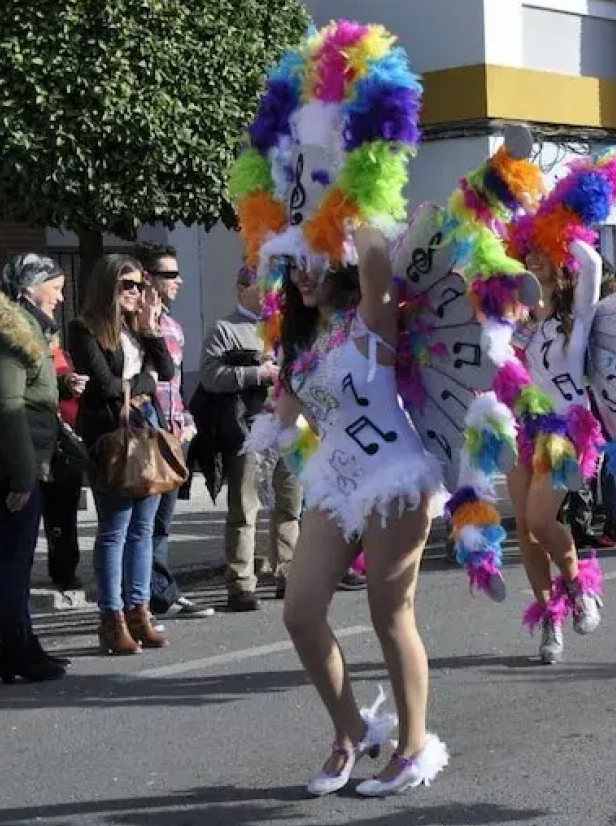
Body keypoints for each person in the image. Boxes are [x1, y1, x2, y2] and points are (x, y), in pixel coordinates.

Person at [256, 227, 449, 795]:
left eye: (312, 262)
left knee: (390, 616)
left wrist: (341, 202)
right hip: (336, 484)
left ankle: (412, 748)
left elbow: (373, 252)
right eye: (293, 266)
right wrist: (263, 439)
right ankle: (352, 731)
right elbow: (286, 418)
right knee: (300, 612)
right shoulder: (302, 344)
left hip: (394, 480)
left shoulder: (371, 320)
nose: (302, 275)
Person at [0, 254, 73, 684]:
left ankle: (23, 645)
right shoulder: (8, 336)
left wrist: (60, 386)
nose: (61, 297)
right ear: (30, 288)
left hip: (26, 462)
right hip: (11, 469)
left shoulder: (26, 332)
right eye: (55, 287)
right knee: (12, 559)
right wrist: (23, 476)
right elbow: (6, 409)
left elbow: (25, 394)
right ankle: (16, 651)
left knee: (20, 558)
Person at [67, 253, 176, 657]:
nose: (135, 293)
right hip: (112, 435)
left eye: (138, 286)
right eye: (126, 285)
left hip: (146, 429)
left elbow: (167, 372)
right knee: (115, 528)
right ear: (107, 287)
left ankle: (138, 611)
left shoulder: (137, 327)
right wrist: (142, 382)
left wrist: (150, 328)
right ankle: (111, 618)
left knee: (143, 528)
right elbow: (106, 385)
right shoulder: (84, 329)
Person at [506, 236, 607, 664]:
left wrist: (558, 227)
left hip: (567, 428)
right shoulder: (514, 316)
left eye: (541, 247)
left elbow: (593, 262)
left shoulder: (576, 312)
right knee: (525, 530)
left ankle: (578, 585)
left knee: (540, 518)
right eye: (527, 250)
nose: (534, 256)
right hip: (520, 427)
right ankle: (550, 615)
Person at [199, 265, 300, 613]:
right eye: (264, 287)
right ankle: (241, 583)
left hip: (289, 426)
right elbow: (210, 376)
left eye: (276, 288)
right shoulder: (225, 329)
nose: (273, 294)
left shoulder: (285, 326)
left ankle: (288, 574)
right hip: (248, 430)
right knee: (244, 509)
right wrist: (258, 372)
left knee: (290, 506)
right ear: (241, 288)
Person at [137, 243, 212, 621]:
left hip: (173, 436)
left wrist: (186, 421)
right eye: (169, 274)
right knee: (142, 524)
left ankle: (160, 593)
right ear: (147, 278)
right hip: (144, 436)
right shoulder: (132, 323)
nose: (178, 281)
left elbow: (175, 383)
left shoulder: (174, 327)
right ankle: (139, 600)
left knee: (162, 524)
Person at [41, 331, 87, 591]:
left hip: (68, 443)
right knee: (51, 511)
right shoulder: (34, 356)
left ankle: (65, 569)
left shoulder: (64, 357)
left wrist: (75, 385)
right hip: (45, 441)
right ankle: (58, 567)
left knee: (65, 512)